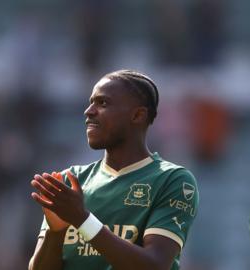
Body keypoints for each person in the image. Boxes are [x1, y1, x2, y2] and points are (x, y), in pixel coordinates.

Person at [29, 70, 199, 270]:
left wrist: (82, 219)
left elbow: (154, 265)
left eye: (103, 103)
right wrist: (55, 233)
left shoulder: (171, 180)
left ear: (137, 115)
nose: (89, 111)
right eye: (91, 102)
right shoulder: (71, 181)